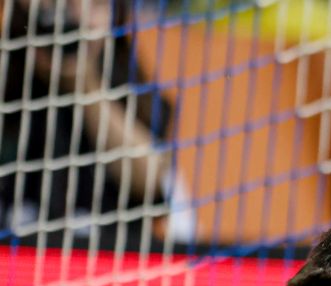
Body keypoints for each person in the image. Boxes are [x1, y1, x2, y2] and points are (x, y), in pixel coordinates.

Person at [0, 0, 194, 247]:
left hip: (108, 256)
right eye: (65, 5)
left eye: (97, 5)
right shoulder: (10, 83)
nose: (81, 19)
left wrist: (85, 87)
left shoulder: (134, 90)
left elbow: (153, 181)